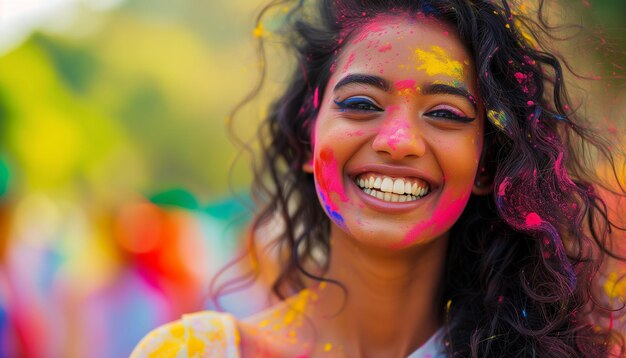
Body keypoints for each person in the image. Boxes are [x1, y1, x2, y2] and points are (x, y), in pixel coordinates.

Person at [132, 0, 626, 356]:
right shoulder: (194, 351)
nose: (398, 140)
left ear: (486, 166)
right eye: (361, 104)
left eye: (446, 113)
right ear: (309, 139)